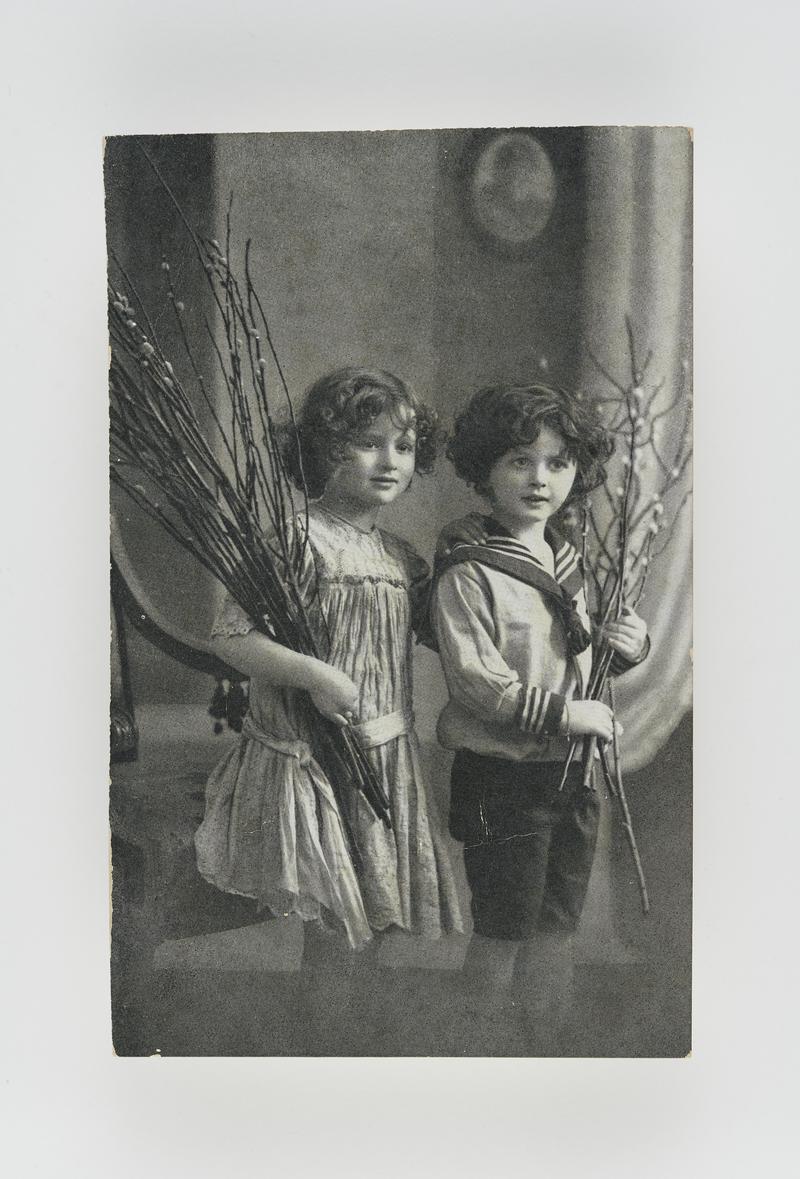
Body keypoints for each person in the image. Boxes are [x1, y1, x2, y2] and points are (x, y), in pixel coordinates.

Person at [193, 367, 463, 1046]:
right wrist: (313, 674)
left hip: (385, 754)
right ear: (321, 448)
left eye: (402, 447)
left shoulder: (401, 557)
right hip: (308, 759)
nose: (387, 461)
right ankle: (322, 1050)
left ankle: (349, 1049)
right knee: (340, 925)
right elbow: (229, 635)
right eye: (367, 442)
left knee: (371, 921)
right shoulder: (294, 536)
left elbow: (453, 634)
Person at [430, 382, 649, 1048]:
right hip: (504, 778)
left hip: (572, 778)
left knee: (559, 925)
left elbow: (582, 665)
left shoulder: (572, 564)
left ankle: (545, 1056)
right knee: (504, 928)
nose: (539, 477)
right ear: (485, 469)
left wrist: (629, 647)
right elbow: (477, 683)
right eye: (519, 460)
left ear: (577, 473)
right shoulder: (468, 571)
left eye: (557, 463)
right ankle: (482, 1058)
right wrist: (568, 714)